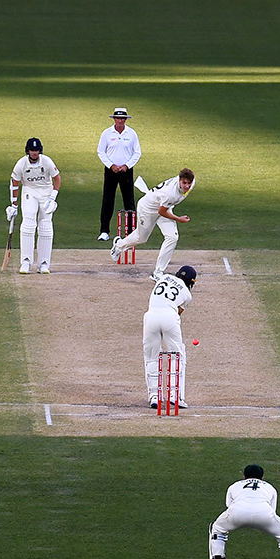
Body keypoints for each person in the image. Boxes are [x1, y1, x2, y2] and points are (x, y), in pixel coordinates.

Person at [111, 169, 194, 278]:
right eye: (184, 183)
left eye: (189, 183)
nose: (187, 186)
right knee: (141, 239)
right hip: (148, 209)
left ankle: (158, 272)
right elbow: (161, 212)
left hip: (164, 206)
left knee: (172, 237)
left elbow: (164, 209)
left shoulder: (191, 184)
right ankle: (118, 246)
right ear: (179, 180)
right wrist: (179, 219)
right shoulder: (170, 193)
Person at [143, 265, 195, 408]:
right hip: (170, 318)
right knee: (177, 355)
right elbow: (178, 312)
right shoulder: (187, 294)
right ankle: (175, 396)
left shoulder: (163, 277)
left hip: (150, 316)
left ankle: (154, 396)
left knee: (152, 356)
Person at [7, 137, 61, 274]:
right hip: (29, 192)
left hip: (46, 193)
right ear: (28, 151)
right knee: (28, 223)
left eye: (36, 150)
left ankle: (43, 263)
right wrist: (13, 205)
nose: (34, 153)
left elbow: (57, 179)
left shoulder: (47, 161)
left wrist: (53, 198)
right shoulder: (21, 164)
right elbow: (14, 183)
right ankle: (25, 261)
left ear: (40, 150)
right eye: (32, 150)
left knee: (46, 226)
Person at [97, 107, 141, 242]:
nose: (120, 121)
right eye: (118, 118)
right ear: (114, 119)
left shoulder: (132, 133)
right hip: (111, 171)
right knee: (108, 200)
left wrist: (126, 166)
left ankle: (130, 232)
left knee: (129, 200)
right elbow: (101, 152)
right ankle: (104, 231)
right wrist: (112, 166)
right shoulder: (106, 133)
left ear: (125, 120)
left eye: (122, 119)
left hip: (126, 171)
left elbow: (137, 152)